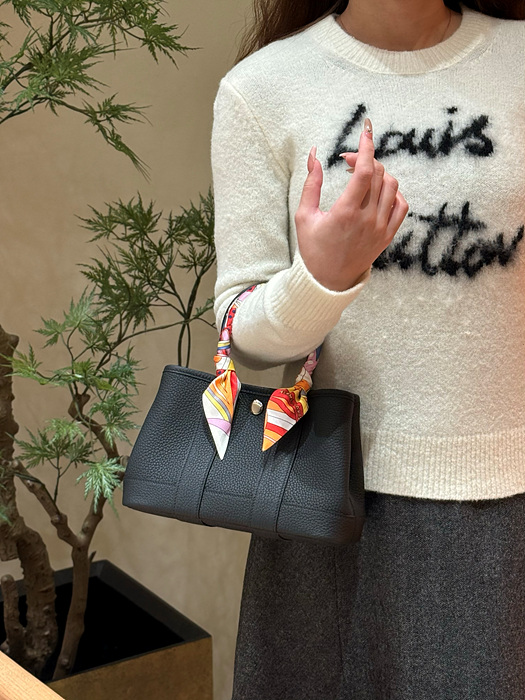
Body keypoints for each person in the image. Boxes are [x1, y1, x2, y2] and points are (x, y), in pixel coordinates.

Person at [210, 0, 525, 697]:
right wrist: (322, 277)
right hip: (331, 501)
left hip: (507, 491)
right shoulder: (261, 88)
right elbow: (240, 334)